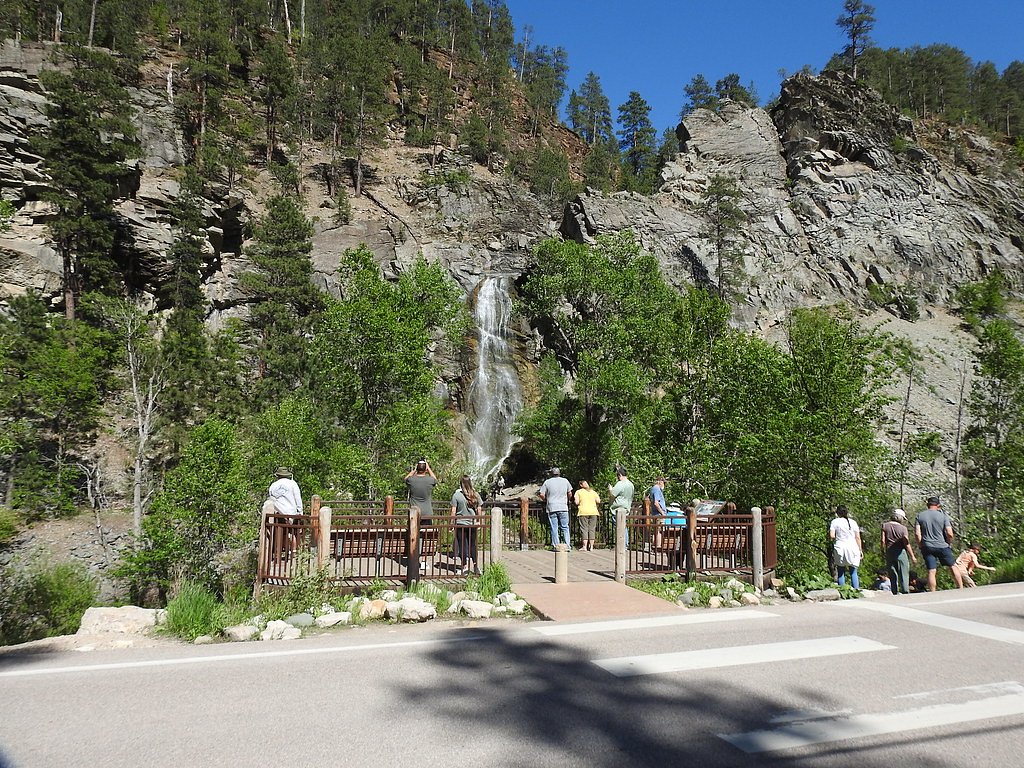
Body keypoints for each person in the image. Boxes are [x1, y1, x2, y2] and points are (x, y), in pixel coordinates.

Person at [915, 496, 963, 591]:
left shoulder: (920, 516)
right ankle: (960, 588)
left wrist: (921, 545)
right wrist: (948, 542)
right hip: (942, 545)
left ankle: (933, 592)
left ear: (927, 505)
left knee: (931, 570)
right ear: (938, 505)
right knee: (953, 566)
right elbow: (950, 533)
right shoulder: (943, 516)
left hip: (927, 546)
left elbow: (917, 534)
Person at [881, 508, 917, 595]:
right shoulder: (903, 528)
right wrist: (912, 556)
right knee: (903, 572)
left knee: (892, 572)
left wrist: (882, 551)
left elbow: (882, 540)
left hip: (889, 551)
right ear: (900, 518)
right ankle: (905, 591)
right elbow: (906, 543)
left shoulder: (885, 526)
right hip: (901, 552)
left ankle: (894, 591)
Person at [450, 475, 480, 575]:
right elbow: (479, 509)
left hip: (460, 524)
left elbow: (453, 511)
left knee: (462, 545)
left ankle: (464, 567)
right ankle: (475, 566)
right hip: (472, 523)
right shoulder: (475, 494)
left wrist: (451, 523)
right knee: (473, 545)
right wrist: (479, 520)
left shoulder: (457, 496)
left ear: (461, 484)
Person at [829, 504, 863, 590]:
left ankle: (843, 591)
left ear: (837, 513)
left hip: (840, 547)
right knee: (853, 571)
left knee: (841, 571)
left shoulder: (834, 522)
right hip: (853, 547)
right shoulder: (853, 522)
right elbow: (857, 537)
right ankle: (856, 590)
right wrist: (860, 550)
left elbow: (832, 535)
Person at [538, 468, 573, 549]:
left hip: (552, 506)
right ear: (559, 473)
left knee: (554, 527)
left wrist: (546, 499)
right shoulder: (565, 481)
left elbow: (541, 494)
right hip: (563, 506)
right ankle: (567, 545)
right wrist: (567, 499)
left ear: (552, 474)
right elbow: (570, 493)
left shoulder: (547, 482)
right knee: (565, 527)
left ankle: (556, 546)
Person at [608, 465, 635, 549]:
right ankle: (625, 544)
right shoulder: (631, 484)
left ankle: (622, 545)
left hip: (618, 509)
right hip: (626, 508)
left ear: (620, 475)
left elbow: (613, 494)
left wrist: (610, 489)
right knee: (624, 526)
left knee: (619, 528)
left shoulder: (620, 484)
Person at [405, 458, 437, 524]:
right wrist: (428, 468)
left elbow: (406, 479)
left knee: (413, 530)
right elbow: (435, 479)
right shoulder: (430, 480)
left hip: (414, 513)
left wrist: (414, 470)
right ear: (425, 469)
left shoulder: (411, 480)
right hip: (427, 513)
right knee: (427, 530)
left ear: (417, 468)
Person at [573, 480, 601, 551]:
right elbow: (598, 501)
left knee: (584, 529)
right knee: (592, 529)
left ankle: (584, 546)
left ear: (581, 485)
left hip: (583, 512)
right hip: (593, 512)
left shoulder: (578, 492)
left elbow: (577, 502)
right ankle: (591, 547)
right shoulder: (593, 492)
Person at [646, 477, 668, 548]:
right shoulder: (657, 489)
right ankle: (658, 547)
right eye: (664, 483)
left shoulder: (653, 489)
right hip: (659, 514)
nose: (664, 485)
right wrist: (662, 513)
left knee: (656, 531)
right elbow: (656, 503)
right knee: (659, 531)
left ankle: (654, 547)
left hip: (656, 513)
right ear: (660, 482)